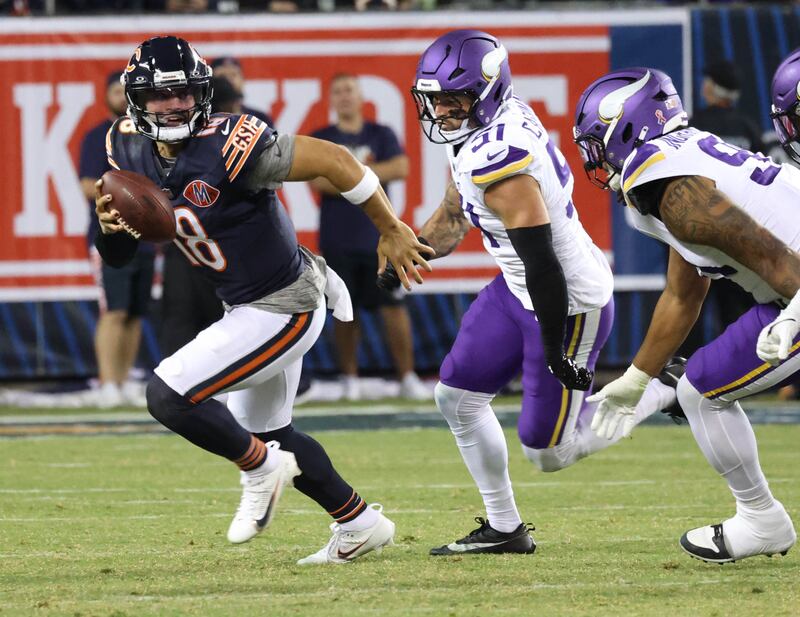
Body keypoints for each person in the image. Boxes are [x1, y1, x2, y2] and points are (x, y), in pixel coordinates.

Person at [94, 36, 433, 564]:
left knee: (168, 396)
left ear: (201, 91)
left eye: (184, 92)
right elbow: (117, 256)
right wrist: (110, 228)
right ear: (136, 99)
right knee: (273, 431)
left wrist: (389, 227)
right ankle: (361, 523)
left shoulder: (233, 143)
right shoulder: (126, 146)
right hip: (245, 303)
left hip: (285, 303)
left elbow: (338, 160)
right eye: (160, 96)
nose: (174, 104)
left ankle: (259, 467)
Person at [384, 30, 678, 556]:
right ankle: (504, 528)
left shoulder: (500, 159)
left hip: (565, 301)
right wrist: (414, 251)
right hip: (521, 286)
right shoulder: (483, 128)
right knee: (456, 398)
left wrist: (548, 349)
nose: (443, 113)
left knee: (548, 452)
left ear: (487, 93)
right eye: (436, 101)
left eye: (454, 101)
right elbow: (454, 215)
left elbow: (543, 263)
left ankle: (661, 389)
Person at [573, 66, 798, 564]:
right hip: (788, 290)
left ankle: (762, 520)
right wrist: (637, 378)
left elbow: (778, 261)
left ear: (625, 127)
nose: (595, 159)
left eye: (596, 143)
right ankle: (761, 519)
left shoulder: (676, 191)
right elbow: (683, 292)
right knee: (699, 388)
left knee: (703, 392)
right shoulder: (672, 171)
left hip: (796, 286)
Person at [311, 73, 428, 401]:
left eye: (349, 90)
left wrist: (348, 175)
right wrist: (370, 174)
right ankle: (349, 379)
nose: (344, 96)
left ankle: (407, 376)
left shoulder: (381, 133)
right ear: (331, 100)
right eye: (337, 92)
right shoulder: (323, 138)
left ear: (362, 97)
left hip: (382, 238)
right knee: (344, 312)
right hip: (338, 239)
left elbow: (402, 167)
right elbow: (318, 182)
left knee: (393, 307)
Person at [79, 71, 152, 408]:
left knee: (136, 312)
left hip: (146, 235)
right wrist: (124, 198)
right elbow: (86, 185)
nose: (121, 97)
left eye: (126, 91)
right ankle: (107, 382)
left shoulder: (148, 134)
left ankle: (124, 380)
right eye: (115, 90)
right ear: (104, 94)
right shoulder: (98, 136)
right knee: (114, 311)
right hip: (111, 235)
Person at [209, 56, 272, 125]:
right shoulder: (203, 119)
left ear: (242, 80)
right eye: (222, 76)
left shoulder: (259, 119)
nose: (228, 80)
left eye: (233, 75)